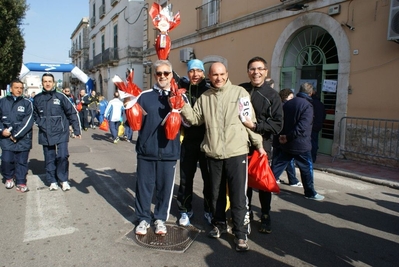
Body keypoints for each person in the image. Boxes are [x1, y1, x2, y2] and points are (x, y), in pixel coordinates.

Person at [180, 62, 265, 252]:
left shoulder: (239, 93)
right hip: (213, 152)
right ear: (209, 77)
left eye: (221, 74)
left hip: (236, 152)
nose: (218, 78)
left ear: (227, 74)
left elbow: (249, 121)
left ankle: (241, 234)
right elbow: (194, 119)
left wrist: (258, 144)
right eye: (214, 75)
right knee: (215, 193)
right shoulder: (205, 97)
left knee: (237, 195)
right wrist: (182, 106)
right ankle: (219, 225)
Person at [134, 60, 182, 236]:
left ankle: (160, 218)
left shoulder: (179, 96)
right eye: (159, 73)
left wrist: (178, 108)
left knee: (165, 188)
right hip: (146, 151)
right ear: (154, 75)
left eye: (166, 73)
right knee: (143, 187)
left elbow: (188, 122)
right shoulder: (144, 96)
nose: (162, 76)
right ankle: (143, 219)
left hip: (169, 152)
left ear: (171, 75)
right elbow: (134, 122)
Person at [239, 56, 283, 234]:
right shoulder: (241, 89)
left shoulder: (273, 95)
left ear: (265, 71)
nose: (255, 72)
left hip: (262, 146)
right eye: (252, 69)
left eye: (259, 69)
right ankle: (246, 212)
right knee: (245, 183)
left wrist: (256, 126)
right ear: (248, 71)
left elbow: (278, 125)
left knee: (263, 182)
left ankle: (265, 215)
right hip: (241, 144)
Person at [272, 82, 325, 201]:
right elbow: (303, 126)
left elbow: (282, 121)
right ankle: (310, 192)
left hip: (287, 141)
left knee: (279, 165)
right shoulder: (307, 105)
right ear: (311, 93)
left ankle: (267, 185)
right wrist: (289, 136)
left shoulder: (288, 103)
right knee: (306, 167)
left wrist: (284, 136)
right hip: (300, 143)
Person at [176, 59, 212, 227]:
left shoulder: (210, 89)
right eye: (191, 71)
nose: (195, 74)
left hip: (208, 141)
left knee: (209, 179)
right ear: (188, 73)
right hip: (189, 140)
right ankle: (184, 209)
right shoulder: (183, 89)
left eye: (198, 70)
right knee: (185, 178)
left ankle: (209, 209)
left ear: (203, 72)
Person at [33, 73, 82, 191]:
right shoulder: (37, 98)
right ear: (42, 83)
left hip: (61, 132)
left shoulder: (61, 97)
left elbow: (72, 112)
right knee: (49, 158)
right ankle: (52, 181)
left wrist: (76, 129)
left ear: (54, 83)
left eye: (50, 81)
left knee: (62, 156)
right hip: (45, 133)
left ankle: (63, 180)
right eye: (45, 81)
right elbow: (34, 115)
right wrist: (41, 123)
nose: (48, 83)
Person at [0, 79, 34, 192]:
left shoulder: (27, 103)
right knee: (6, 160)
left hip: (23, 139)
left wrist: (16, 135)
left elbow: (28, 121)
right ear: (11, 88)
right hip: (6, 138)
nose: (19, 90)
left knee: (22, 162)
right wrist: (2, 131)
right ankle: (9, 177)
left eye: (21, 88)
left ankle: (21, 181)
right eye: (16, 87)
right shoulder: (2, 102)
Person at [273, 88, 300, 186]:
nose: (292, 99)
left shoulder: (279, 105)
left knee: (279, 159)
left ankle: (276, 178)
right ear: (286, 97)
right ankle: (291, 180)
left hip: (278, 135)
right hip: (283, 136)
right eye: (291, 97)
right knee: (287, 159)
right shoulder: (286, 107)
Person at [310, 87, 326, 163]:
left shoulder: (310, 103)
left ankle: (311, 158)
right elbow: (324, 115)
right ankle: (313, 157)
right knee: (314, 142)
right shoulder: (320, 104)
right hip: (318, 125)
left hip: (311, 125)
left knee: (311, 142)